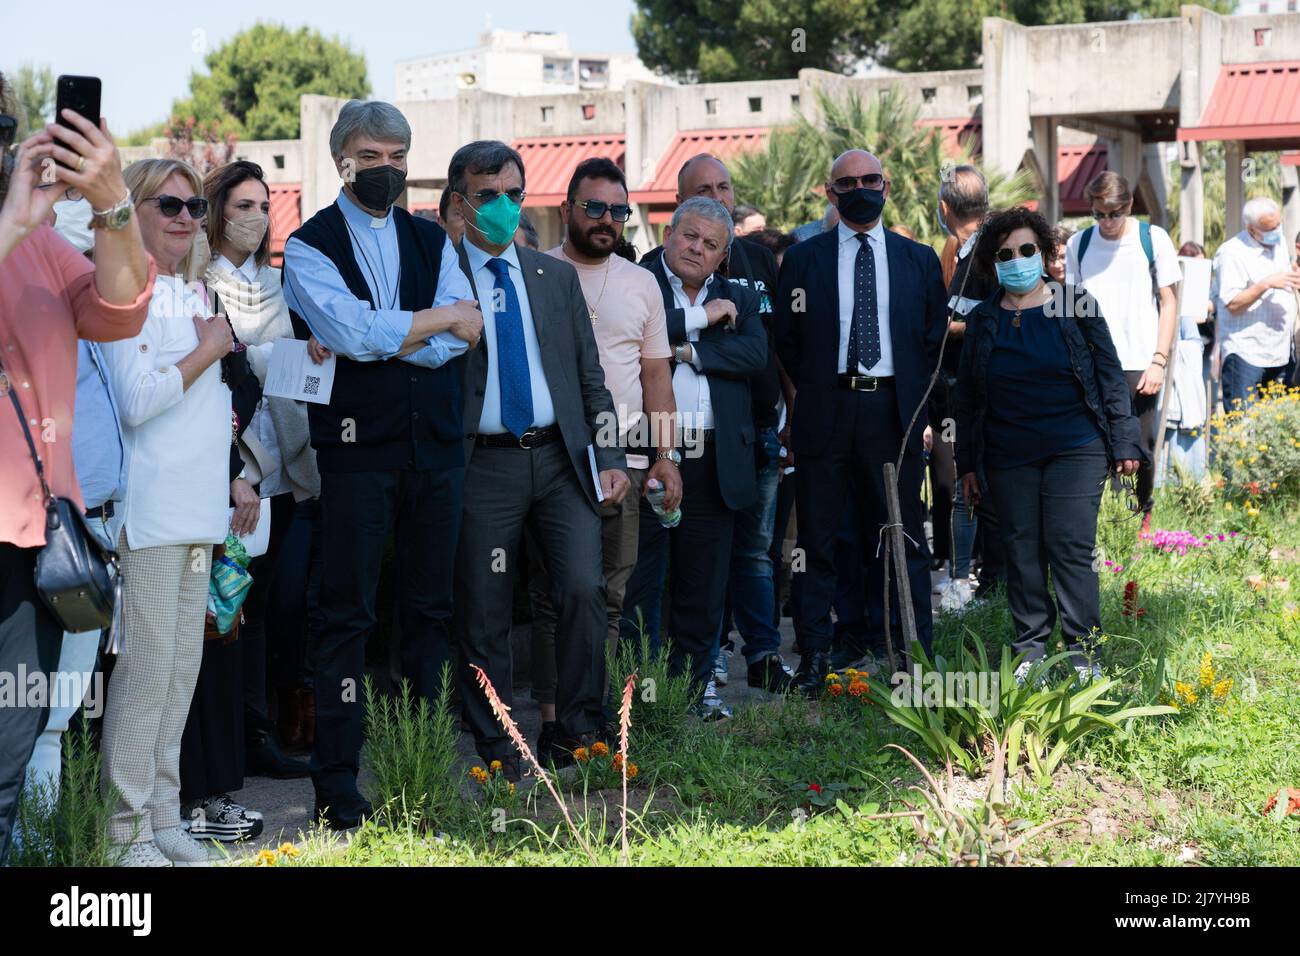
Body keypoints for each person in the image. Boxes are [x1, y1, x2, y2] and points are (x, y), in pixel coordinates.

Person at [283, 101, 483, 830]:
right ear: (341, 159)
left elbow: (463, 334)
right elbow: (349, 330)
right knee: (346, 616)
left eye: (398, 156)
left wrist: (392, 334)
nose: (388, 169)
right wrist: (418, 325)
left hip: (434, 447)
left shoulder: (431, 238)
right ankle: (337, 783)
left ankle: (421, 765)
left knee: (430, 611)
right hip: (355, 451)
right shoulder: (308, 245)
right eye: (372, 156)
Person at [0, 78, 153, 865]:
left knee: (8, 754)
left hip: (26, 537)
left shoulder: (40, 241)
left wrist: (114, 205)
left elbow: (120, 305)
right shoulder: (15, 228)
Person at [447, 140, 628, 774]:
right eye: (488, 195)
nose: (503, 206)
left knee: (582, 587)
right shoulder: (442, 279)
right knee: (484, 606)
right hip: (482, 467)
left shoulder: (555, 279)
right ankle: (498, 746)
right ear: (459, 202)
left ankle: (578, 732)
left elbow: (591, 377)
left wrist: (609, 452)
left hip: (559, 462)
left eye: (514, 194)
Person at [97, 158, 233, 866]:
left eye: (195, 207)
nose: (186, 217)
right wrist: (209, 352)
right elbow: (137, 400)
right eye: (169, 204)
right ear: (134, 210)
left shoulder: (191, 293)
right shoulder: (125, 292)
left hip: (199, 512)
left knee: (180, 675)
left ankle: (163, 817)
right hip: (148, 515)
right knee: (147, 673)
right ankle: (123, 835)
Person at [774, 149, 946, 692]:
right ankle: (814, 657)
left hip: (892, 413)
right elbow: (788, 341)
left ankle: (914, 654)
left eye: (870, 179)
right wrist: (823, 388)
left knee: (901, 535)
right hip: (827, 408)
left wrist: (918, 410)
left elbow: (931, 338)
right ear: (830, 192)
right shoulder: (804, 260)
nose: (860, 188)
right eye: (847, 182)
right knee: (819, 538)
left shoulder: (918, 260)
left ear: (886, 185)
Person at [526, 157, 679, 759]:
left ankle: (591, 720)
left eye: (618, 210)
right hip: (551, 457)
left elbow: (656, 376)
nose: (607, 220)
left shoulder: (642, 283)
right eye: (594, 208)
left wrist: (666, 456)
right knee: (552, 597)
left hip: (626, 460)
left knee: (609, 596)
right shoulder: (534, 272)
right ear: (565, 209)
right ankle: (551, 718)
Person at [955, 207, 1143, 682]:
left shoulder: (1075, 304)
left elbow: (1108, 376)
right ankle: (1030, 651)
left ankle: (1085, 655)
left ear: (1042, 253)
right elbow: (968, 398)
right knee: (1019, 548)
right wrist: (968, 465)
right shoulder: (982, 319)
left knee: (1069, 547)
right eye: (1005, 254)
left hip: (1075, 446)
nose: (1017, 259)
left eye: (1025, 250)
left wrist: (1125, 442)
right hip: (1007, 452)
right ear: (992, 262)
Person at [633, 153, 787, 703]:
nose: (696, 248)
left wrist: (685, 351)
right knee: (643, 582)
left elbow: (753, 354)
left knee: (704, 581)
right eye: (688, 236)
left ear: (724, 254)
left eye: (709, 243)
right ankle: (642, 693)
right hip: (649, 452)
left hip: (717, 456)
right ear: (668, 233)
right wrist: (702, 322)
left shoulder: (741, 297)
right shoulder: (639, 282)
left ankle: (698, 689)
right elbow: (632, 336)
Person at [203, 160, 317, 776]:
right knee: (229, 610)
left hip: (286, 469)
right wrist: (230, 470)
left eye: (264, 205)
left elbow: (295, 375)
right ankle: (239, 740)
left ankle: (266, 726)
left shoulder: (280, 286)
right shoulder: (201, 283)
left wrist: (312, 355)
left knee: (277, 605)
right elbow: (218, 383)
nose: (256, 217)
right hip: (232, 474)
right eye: (242, 205)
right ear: (218, 210)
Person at [19, 198, 127, 824]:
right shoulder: (24, 305)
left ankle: (43, 848)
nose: (60, 214)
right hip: (40, 534)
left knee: (57, 715)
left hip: (91, 534)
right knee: (27, 715)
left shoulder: (79, 299)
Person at [1064, 171, 1180, 519]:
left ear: (1129, 205)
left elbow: (1169, 302)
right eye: (1099, 214)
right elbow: (1071, 304)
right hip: (1093, 362)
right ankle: (1100, 521)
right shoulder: (1079, 244)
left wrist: (1159, 360)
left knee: (1138, 447)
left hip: (1139, 360)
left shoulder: (1152, 238)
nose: (1107, 221)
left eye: (1115, 213)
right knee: (1094, 446)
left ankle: (1141, 517)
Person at [927, 165, 990, 614]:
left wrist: (944, 328)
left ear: (944, 208)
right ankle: (961, 572)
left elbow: (1000, 318)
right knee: (955, 485)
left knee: (966, 487)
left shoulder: (989, 253)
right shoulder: (965, 253)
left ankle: (967, 577)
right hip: (952, 395)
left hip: (979, 396)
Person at [1211, 196, 1300, 408]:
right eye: (1269, 228)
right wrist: (1265, 284)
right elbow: (1231, 304)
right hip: (1246, 354)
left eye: (1278, 224)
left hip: (1279, 352)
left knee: (1275, 429)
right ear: (1251, 229)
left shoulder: (1279, 244)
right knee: (1244, 429)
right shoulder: (1231, 253)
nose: (1276, 231)